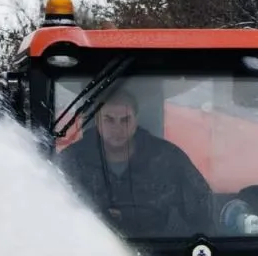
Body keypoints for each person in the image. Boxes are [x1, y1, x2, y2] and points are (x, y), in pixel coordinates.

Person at [55, 88, 215, 239]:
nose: (117, 128)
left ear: (136, 120)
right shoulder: (72, 161)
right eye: (109, 120)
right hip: (89, 255)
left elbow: (203, 211)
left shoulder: (168, 159)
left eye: (125, 119)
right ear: (97, 121)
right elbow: (53, 214)